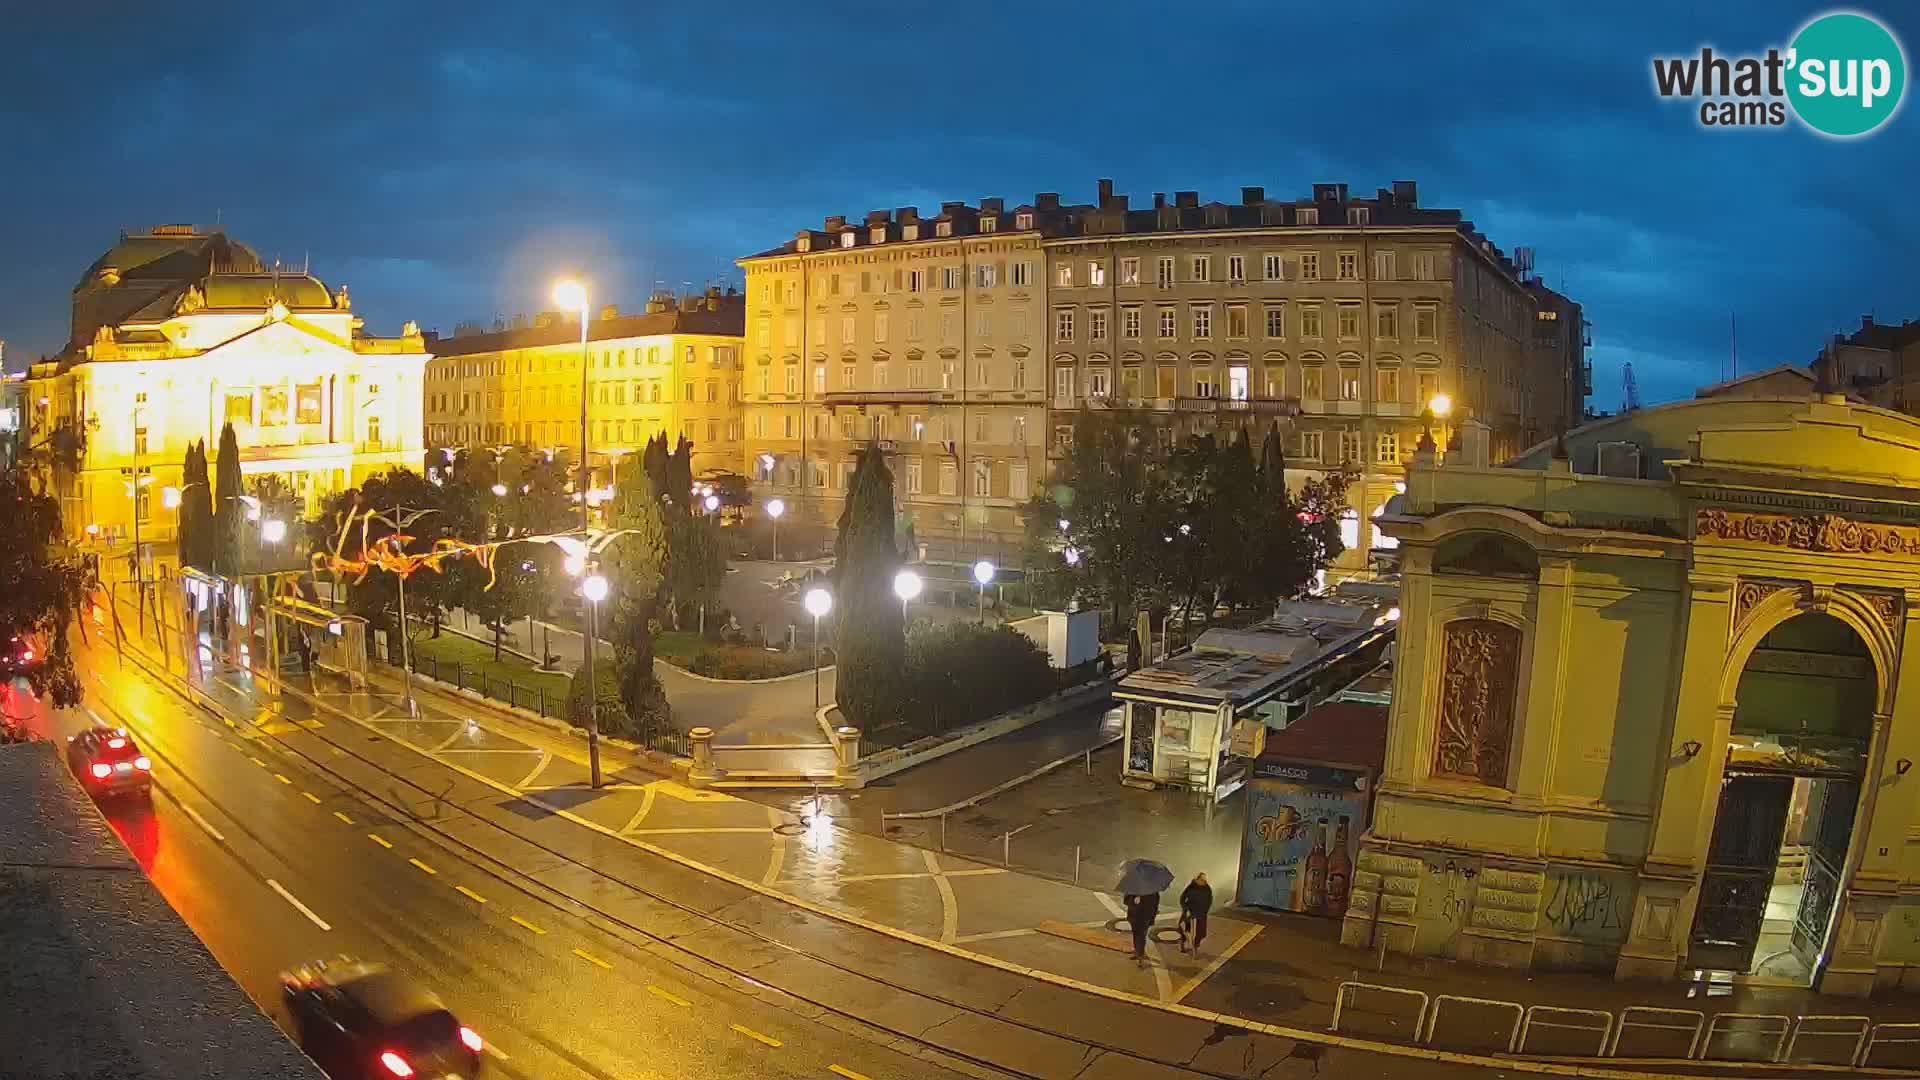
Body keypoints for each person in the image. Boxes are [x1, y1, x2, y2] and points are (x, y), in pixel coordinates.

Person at [1179, 872, 1213, 954]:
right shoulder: (1191, 887)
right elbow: (1182, 898)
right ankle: (1183, 943)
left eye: (1204, 880)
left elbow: (1209, 900)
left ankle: (1196, 946)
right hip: (1190, 912)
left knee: (1200, 932)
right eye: (1201, 880)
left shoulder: (1207, 888)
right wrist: (1186, 909)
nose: (1203, 881)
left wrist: (1205, 910)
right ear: (1197, 879)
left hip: (1201, 913)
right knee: (1185, 928)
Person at [1124, 890, 1159, 965]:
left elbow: (1155, 907)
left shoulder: (1153, 892)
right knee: (1135, 934)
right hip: (1134, 917)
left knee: (1141, 936)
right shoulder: (1132, 889)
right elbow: (1126, 901)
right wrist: (1134, 900)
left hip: (1145, 918)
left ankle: (1140, 955)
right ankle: (1137, 952)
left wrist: (1152, 918)